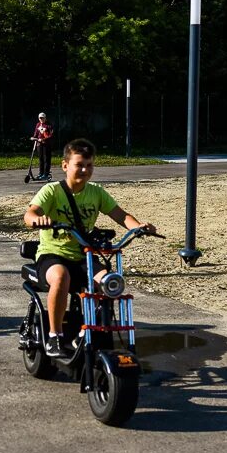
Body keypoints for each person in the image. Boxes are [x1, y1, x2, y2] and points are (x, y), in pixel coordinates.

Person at [23, 138, 155, 357]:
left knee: (110, 282)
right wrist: (38, 219)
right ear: (65, 166)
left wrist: (138, 226)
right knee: (61, 277)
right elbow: (30, 213)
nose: (85, 169)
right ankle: (55, 336)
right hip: (53, 254)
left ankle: (86, 333)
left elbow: (120, 215)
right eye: (79, 164)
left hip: (84, 256)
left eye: (89, 165)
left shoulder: (96, 192)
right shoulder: (51, 191)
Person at [32, 112, 54, 180]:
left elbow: (51, 135)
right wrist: (33, 137)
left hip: (46, 144)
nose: (41, 119)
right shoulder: (38, 124)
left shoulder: (49, 125)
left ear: (45, 118)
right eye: (40, 118)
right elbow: (36, 133)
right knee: (41, 159)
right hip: (39, 144)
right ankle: (41, 173)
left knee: (46, 159)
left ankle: (46, 174)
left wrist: (43, 139)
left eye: (42, 118)